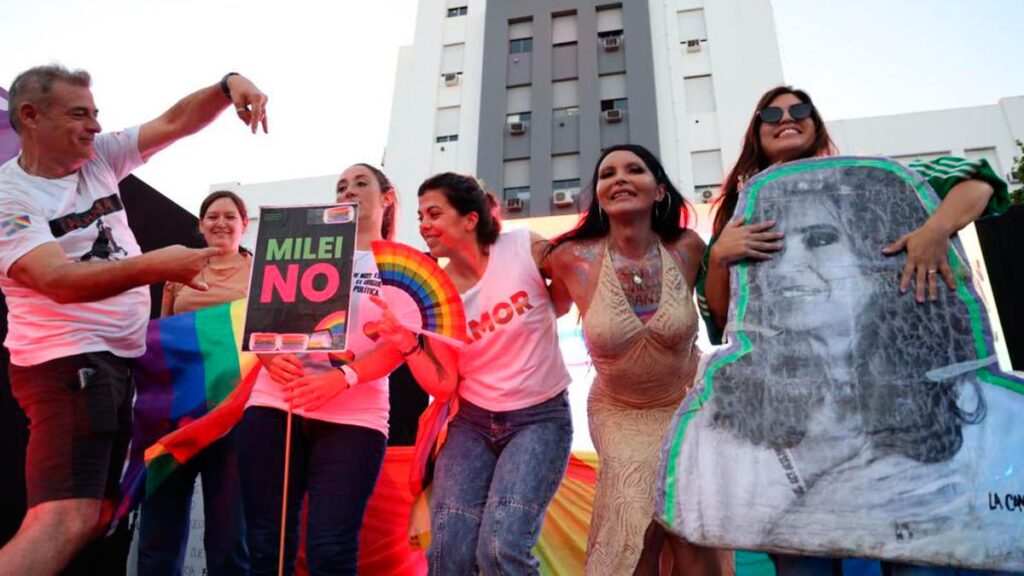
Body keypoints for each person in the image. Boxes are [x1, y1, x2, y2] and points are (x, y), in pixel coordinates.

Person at [699, 86, 1009, 576]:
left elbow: (979, 181)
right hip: (790, 428)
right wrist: (719, 255)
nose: (787, 118)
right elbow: (722, 317)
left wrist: (933, 230)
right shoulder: (742, 209)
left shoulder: (873, 183)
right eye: (771, 113)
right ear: (755, 131)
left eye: (800, 110)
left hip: (901, 431)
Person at [0, 64, 267, 576]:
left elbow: (174, 122)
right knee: (64, 517)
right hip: (68, 364)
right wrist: (159, 265)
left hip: (119, 369)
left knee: (99, 514)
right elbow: (55, 280)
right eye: (80, 114)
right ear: (31, 116)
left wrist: (227, 85)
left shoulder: (97, 157)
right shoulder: (12, 199)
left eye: (96, 114)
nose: (96, 127)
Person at [374, 172, 573, 575]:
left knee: (501, 550)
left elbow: (569, 283)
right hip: (473, 425)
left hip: (539, 419)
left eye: (434, 213)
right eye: (419, 216)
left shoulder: (521, 247)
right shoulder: (436, 289)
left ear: (470, 218)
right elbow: (443, 384)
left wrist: (558, 300)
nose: (424, 225)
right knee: (449, 556)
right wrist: (406, 343)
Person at [544, 144, 729, 575]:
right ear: (601, 196)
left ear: (659, 190)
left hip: (686, 404)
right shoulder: (572, 258)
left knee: (689, 528)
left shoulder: (688, 248)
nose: (620, 178)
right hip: (619, 411)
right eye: (607, 174)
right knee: (636, 522)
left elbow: (722, 308)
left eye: (634, 170)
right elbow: (535, 297)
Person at [238, 163, 407, 576]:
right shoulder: (302, 244)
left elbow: (400, 347)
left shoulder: (403, 263)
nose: (349, 191)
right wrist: (267, 357)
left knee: (330, 549)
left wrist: (343, 377)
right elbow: (261, 315)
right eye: (341, 186)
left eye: (361, 183)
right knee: (267, 546)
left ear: (387, 198)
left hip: (355, 418)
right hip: (276, 406)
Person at [137, 190, 253, 575]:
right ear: (200, 225)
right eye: (212, 216)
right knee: (159, 532)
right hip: (175, 412)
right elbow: (163, 338)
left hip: (234, 412)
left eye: (229, 216)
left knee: (228, 535)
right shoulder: (179, 272)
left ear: (244, 224)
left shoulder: (262, 272)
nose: (221, 223)